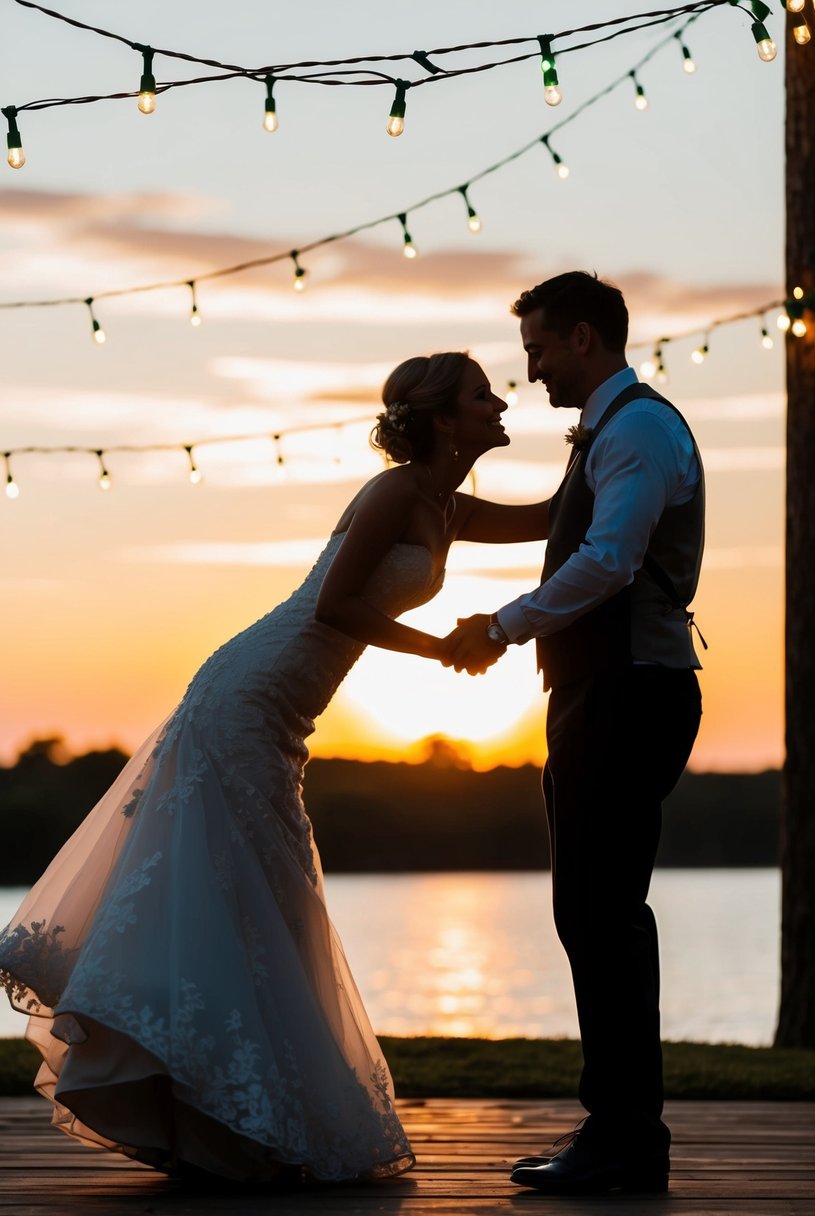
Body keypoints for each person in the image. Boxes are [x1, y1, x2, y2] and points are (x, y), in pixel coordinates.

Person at [0, 350, 550, 1187]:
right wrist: (437, 647)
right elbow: (335, 604)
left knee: (267, 898)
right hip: (248, 692)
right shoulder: (396, 491)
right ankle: (209, 1110)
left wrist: (604, 448)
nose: (499, 401)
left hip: (287, 710)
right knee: (237, 890)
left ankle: (231, 1114)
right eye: (482, 396)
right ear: (443, 419)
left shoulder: (446, 505)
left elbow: (548, 517)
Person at [446, 272, 705, 1196]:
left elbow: (609, 560)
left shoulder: (634, 429)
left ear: (585, 338)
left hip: (628, 691)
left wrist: (501, 626)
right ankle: (620, 1130)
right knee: (589, 912)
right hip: (600, 689)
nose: (532, 369)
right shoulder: (613, 430)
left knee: (602, 914)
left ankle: (626, 1139)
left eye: (540, 350)